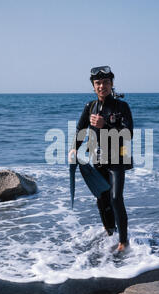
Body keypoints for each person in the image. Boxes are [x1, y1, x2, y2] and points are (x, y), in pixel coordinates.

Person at [68, 66, 134, 252]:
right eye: (97, 83)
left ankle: (123, 241)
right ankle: (109, 230)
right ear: (93, 86)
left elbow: (128, 134)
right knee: (102, 198)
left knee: (115, 198)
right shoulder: (90, 107)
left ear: (112, 84)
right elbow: (80, 131)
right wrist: (74, 148)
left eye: (105, 82)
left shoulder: (122, 107)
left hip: (118, 158)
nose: (101, 86)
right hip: (97, 158)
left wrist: (106, 125)